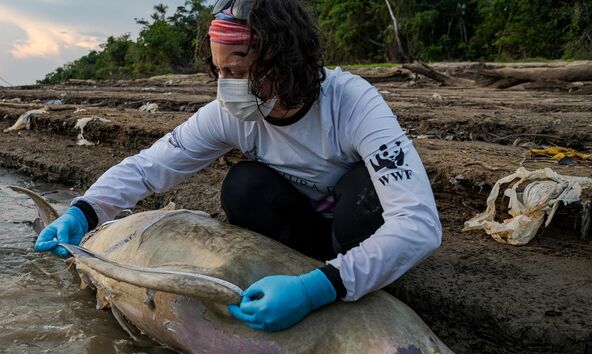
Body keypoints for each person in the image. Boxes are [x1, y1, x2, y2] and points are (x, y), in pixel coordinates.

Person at [35, 0, 441, 332]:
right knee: (243, 187)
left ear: (285, 61)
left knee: (365, 196)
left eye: (240, 72)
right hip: (302, 231)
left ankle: (341, 280)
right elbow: (149, 166)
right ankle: (294, 276)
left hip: (353, 231)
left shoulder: (353, 104)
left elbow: (418, 225)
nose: (227, 86)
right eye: (220, 71)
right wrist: (84, 211)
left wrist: (320, 288)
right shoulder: (230, 114)